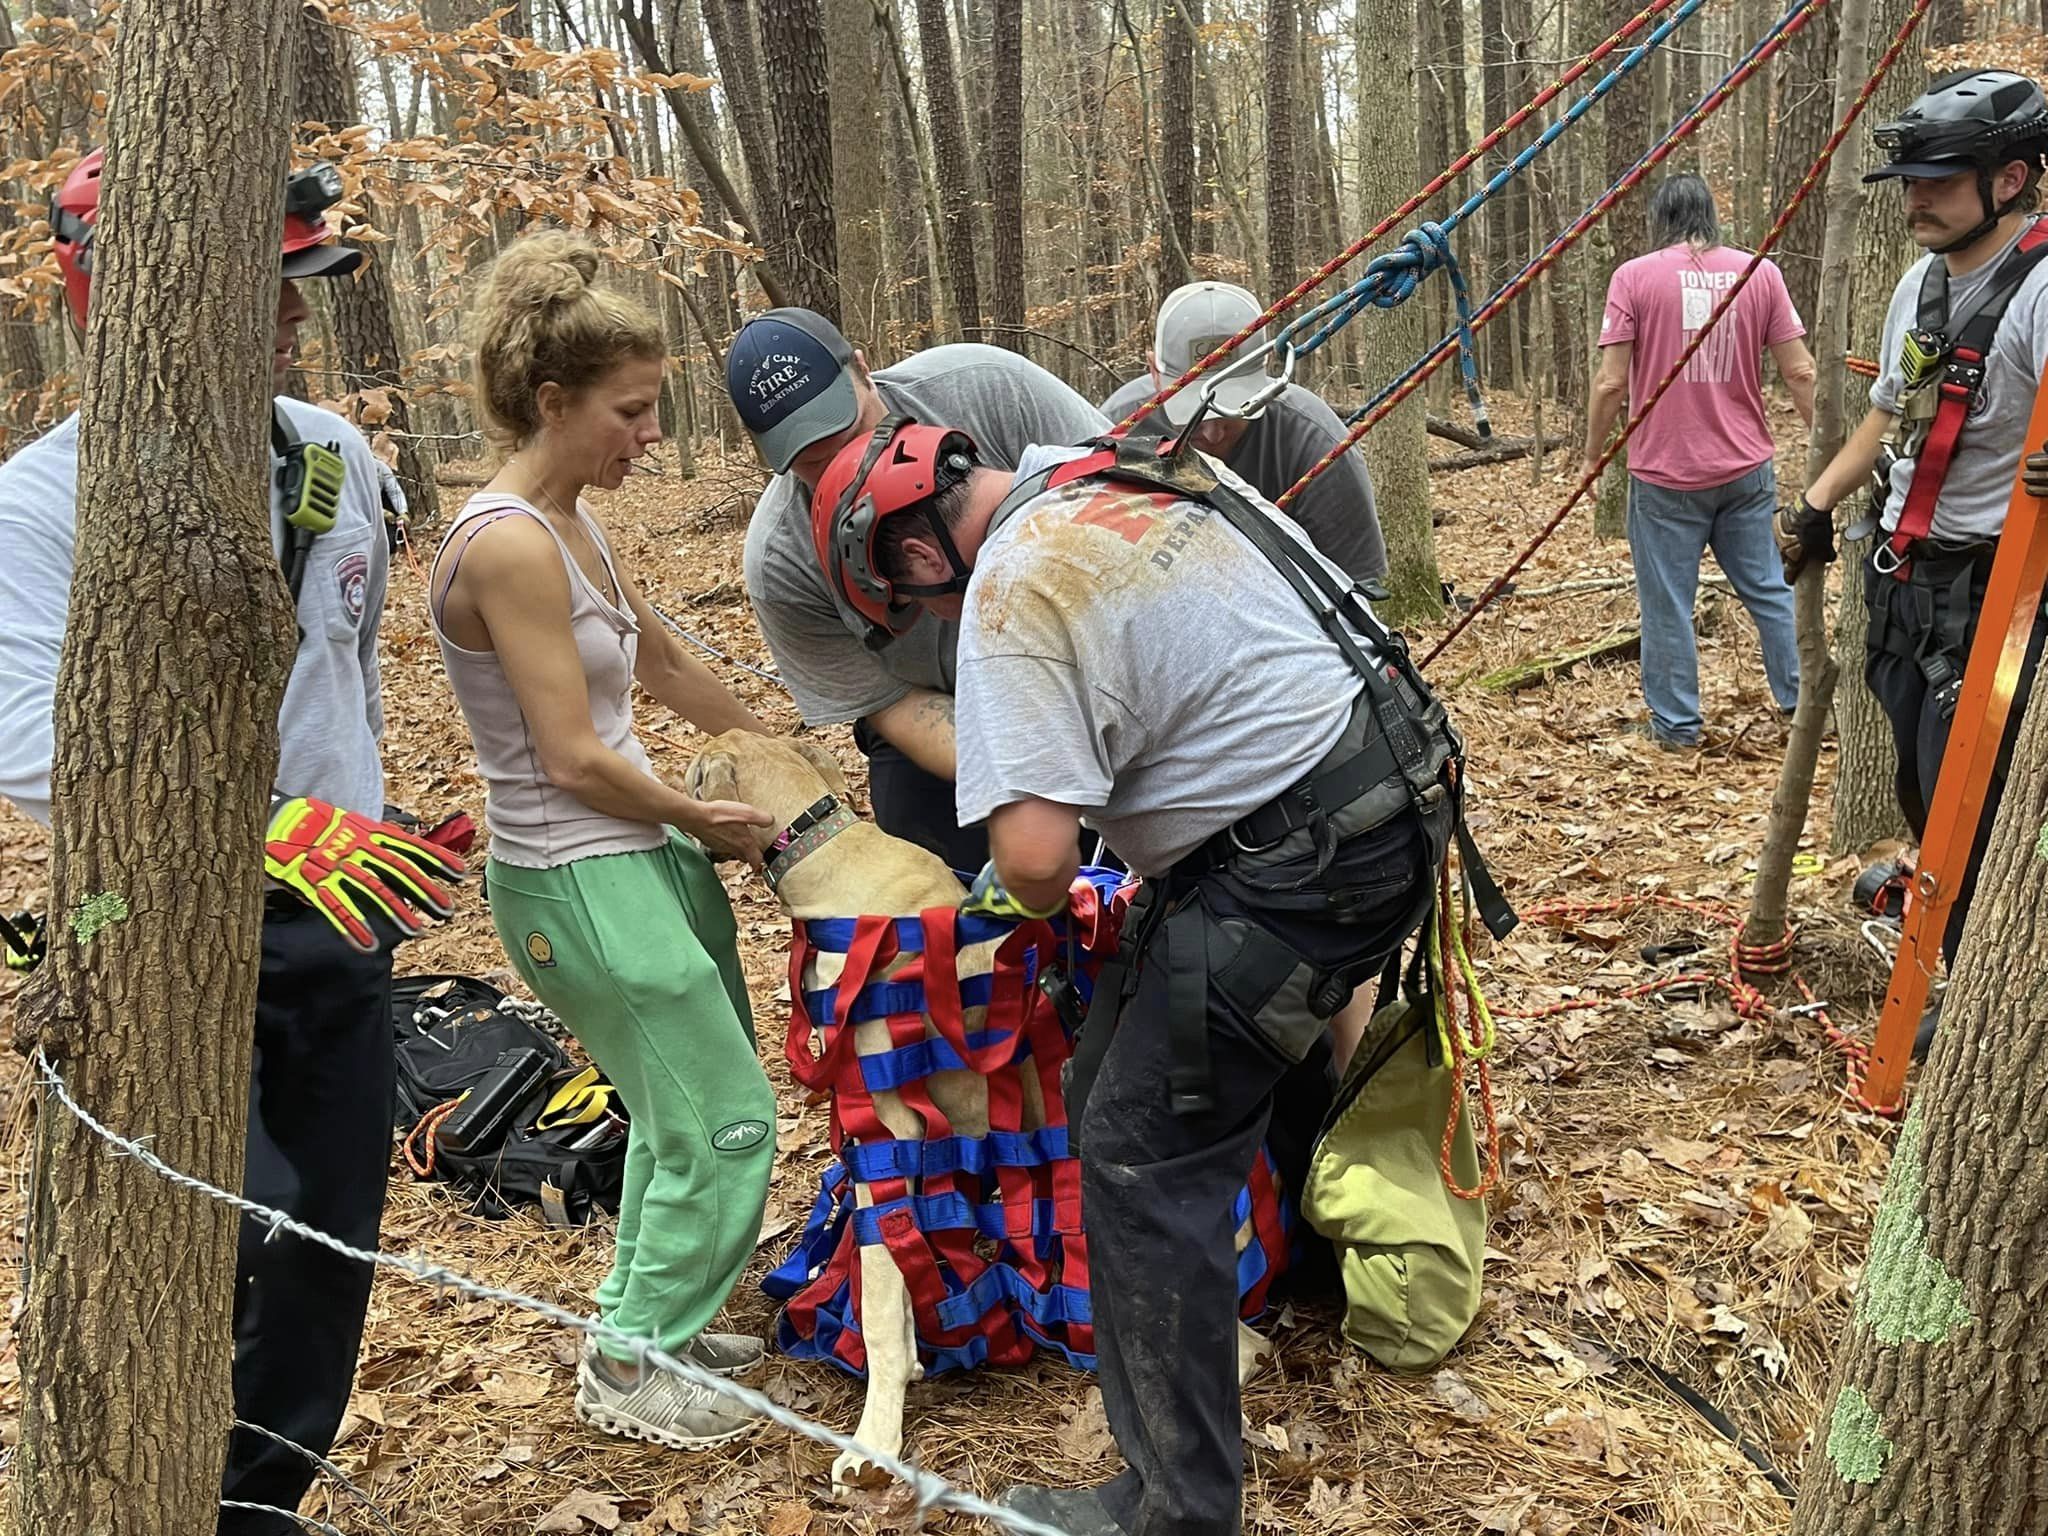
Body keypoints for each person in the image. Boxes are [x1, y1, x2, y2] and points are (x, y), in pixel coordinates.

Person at [809, 421, 1477, 1536]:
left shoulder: (1010, 590)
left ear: (918, 556)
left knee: (1133, 1153)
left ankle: (1175, 1511)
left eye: (917, 605)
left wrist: (1007, 915)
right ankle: (1172, 1449)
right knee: (1108, 1086)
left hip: (1298, 860)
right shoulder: (1116, 469)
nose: (934, 621)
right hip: (1377, 793)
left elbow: (1032, 860)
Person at [0, 151, 466, 1535]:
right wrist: (268, 832)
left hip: (344, 915)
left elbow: (348, 671)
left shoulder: (334, 451)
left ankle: (257, 1508)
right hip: (150, 927)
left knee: (326, 1253)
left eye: (296, 288)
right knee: (212, 1241)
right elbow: (34, 746)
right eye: (262, 288)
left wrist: (362, 821)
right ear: (123, 297)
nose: (293, 316)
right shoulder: (38, 507)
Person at [430, 231, 780, 1449]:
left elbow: (662, 660)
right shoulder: (508, 542)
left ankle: (646, 1327)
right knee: (729, 1118)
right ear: (551, 401)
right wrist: (710, 818)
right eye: (630, 413)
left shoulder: (571, 520)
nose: (648, 436)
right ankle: (631, 1371)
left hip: (642, 854)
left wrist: (789, 766)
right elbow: (573, 755)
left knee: (673, 1105)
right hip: (575, 870)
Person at [1781, 70, 2048, 1047]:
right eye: (1907, 182)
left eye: (1936, 181)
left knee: (1967, 806)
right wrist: (1816, 506)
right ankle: (1933, 926)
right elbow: (1886, 417)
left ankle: (1974, 995)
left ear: (2009, 178)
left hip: (1989, 598)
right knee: (1911, 787)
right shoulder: (1919, 281)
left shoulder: (2041, 290)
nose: (1913, 200)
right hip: (1897, 579)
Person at [727, 312, 1107, 870]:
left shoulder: (988, 388)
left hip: (1089, 655)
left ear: (863, 369)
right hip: (945, 708)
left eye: (850, 435)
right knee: (931, 849)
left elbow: (1124, 492)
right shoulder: (781, 562)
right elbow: (896, 708)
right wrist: (1035, 776)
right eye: (816, 462)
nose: (849, 471)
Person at [1583, 173, 1817, 748]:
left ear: (1659, 219)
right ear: (1711, 215)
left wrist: (1593, 458)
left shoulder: (1633, 278)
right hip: (1746, 468)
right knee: (1769, 588)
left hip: (1665, 474)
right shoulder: (1759, 272)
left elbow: (1612, 382)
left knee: (1667, 602)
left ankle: (1677, 727)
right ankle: (1804, 708)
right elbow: (1801, 371)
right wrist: (1829, 447)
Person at [1098, 279, 1389, 584]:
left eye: (1233, 409)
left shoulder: (1317, 447)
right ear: (1155, 373)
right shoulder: (1117, 432)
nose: (1212, 434)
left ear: (1265, 370)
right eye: (1192, 411)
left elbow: (1357, 592)